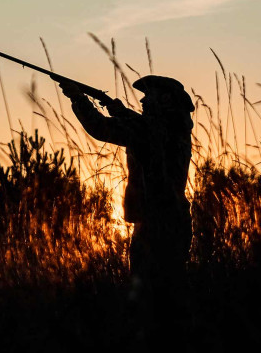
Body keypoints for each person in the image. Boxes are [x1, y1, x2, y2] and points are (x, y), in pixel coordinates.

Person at [59, 75, 195, 345]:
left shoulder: (151, 129)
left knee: (149, 303)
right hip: (172, 221)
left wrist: (77, 98)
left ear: (166, 99)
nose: (143, 100)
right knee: (168, 301)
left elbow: (99, 128)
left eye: (149, 95)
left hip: (155, 226)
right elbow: (142, 126)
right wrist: (118, 109)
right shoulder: (174, 127)